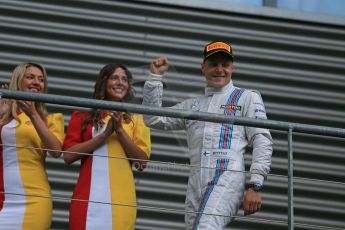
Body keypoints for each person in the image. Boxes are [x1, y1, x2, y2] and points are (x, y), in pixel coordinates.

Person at [142, 41, 273, 229]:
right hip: (195, 183)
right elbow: (153, 119)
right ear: (203, 68)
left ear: (232, 68)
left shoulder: (247, 97)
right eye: (213, 64)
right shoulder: (193, 105)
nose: (219, 69)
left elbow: (262, 140)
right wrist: (155, 77)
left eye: (225, 64)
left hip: (227, 177)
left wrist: (255, 185)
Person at [63, 63, 151, 230]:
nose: (120, 83)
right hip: (86, 199)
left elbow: (141, 162)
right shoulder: (82, 116)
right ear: (103, 82)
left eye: (124, 79)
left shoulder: (136, 119)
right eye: (114, 78)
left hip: (121, 202)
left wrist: (119, 130)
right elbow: (68, 156)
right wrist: (103, 135)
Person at [0, 62, 64, 229]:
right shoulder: (4, 116)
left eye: (41, 79)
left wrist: (33, 114)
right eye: (30, 77)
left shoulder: (50, 120)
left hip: (34, 200)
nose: (37, 82)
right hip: (3, 197)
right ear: (18, 81)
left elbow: (56, 151)